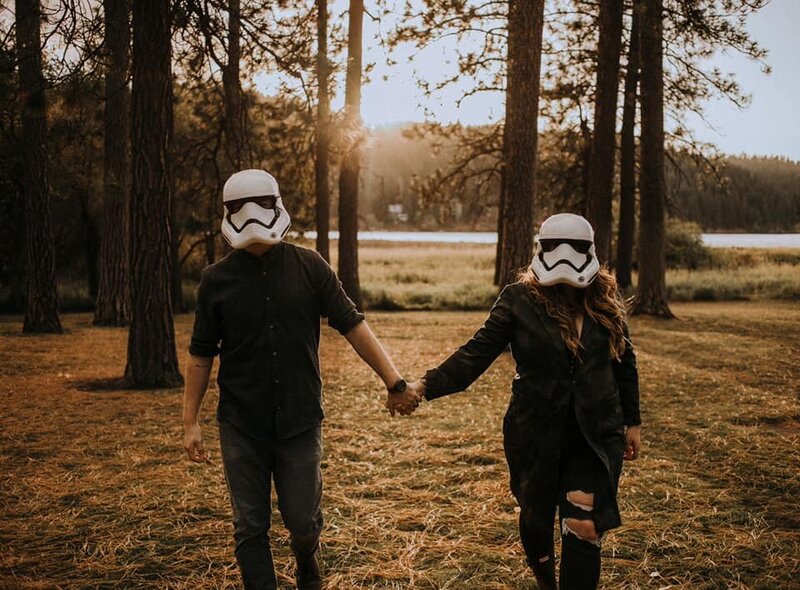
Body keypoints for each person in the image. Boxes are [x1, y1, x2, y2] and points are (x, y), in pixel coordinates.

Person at [182, 169, 423, 590]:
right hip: (240, 424)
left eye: (261, 204)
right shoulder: (215, 281)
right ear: (229, 214)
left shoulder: (309, 266)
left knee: (303, 520)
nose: (253, 215)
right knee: (250, 526)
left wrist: (395, 382)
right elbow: (201, 356)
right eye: (243, 207)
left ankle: (307, 558)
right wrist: (191, 422)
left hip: (300, 421)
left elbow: (352, 324)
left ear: (277, 206)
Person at [394, 213, 641, 590]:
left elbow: (624, 359)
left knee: (583, 523)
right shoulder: (518, 300)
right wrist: (424, 385)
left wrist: (633, 422)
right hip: (535, 431)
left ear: (588, 252)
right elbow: (475, 355)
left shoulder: (605, 300)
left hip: (594, 434)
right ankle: (546, 582)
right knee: (536, 520)